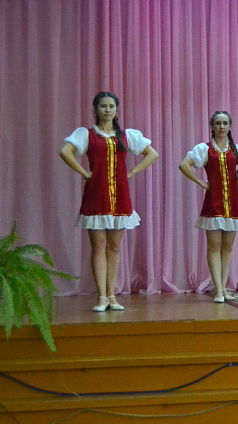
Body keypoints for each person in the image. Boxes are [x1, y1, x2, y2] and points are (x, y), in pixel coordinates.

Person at [59, 92, 159, 312]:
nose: (107, 110)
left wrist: (131, 172)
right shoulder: (86, 134)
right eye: (103, 106)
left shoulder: (126, 135)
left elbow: (152, 154)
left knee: (114, 246)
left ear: (116, 109)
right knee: (99, 246)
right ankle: (101, 296)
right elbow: (65, 151)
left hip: (120, 196)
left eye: (111, 106)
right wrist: (84, 173)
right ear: (96, 109)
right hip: (96, 195)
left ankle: (112, 295)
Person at [179, 111, 238, 303]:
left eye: (225, 123)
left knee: (227, 247)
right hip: (213, 203)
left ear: (230, 126)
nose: (222, 126)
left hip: (233, 203)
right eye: (218, 123)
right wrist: (202, 183)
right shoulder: (205, 149)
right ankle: (218, 289)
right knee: (214, 246)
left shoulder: (237, 150)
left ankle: (224, 287)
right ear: (212, 126)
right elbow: (184, 165)